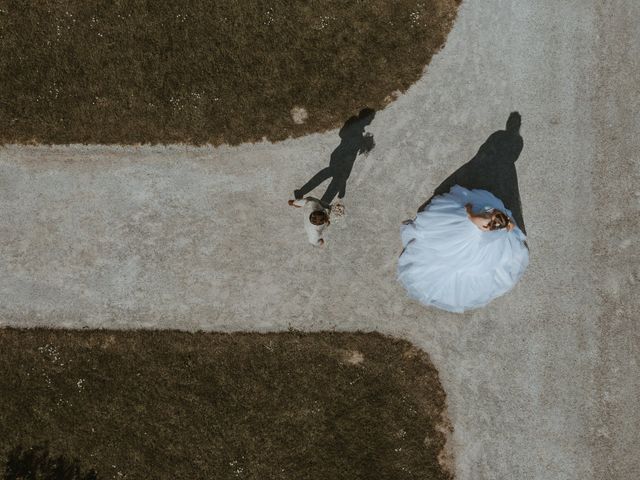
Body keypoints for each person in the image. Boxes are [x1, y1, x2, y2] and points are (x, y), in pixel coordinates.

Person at [398, 185, 529, 312]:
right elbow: (510, 226)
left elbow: (469, 213)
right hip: (487, 245)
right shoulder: (506, 222)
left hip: (469, 234)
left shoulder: (483, 219)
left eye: (493, 211)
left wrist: (469, 208)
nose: (493, 209)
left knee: (446, 248)